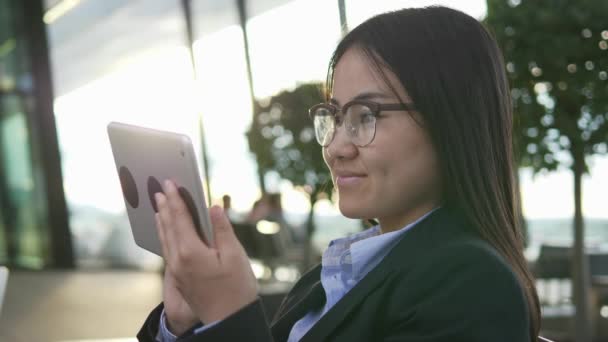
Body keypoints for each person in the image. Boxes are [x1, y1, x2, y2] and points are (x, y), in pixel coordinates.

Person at [138, 6, 541, 342]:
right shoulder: (340, 270)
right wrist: (184, 323)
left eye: (366, 116)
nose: (335, 148)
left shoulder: (472, 285)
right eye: (334, 117)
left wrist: (227, 317)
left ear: (450, 121)